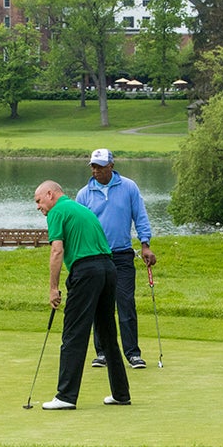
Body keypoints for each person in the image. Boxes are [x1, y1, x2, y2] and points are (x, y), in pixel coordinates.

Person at [33, 180, 131, 409]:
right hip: (108, 269)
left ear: (50, 194)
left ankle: (66, 396)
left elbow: (57, 250)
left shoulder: (57, 211)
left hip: (86, 271)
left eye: (39, 201)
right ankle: (121, 393)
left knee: (74, 333)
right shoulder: (81, 208)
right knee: (107, 333)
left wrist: (53, 288)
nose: (38, 207)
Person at [75, 148, 157, 371]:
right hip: (95, 257)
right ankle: (101, 352)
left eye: (100, 166)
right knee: (100, 306)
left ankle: (132, 353)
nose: (95, 170)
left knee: (125, 303)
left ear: (111, 166)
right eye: (93, 166)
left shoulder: (128, 187)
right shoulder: (84, 194)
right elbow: (79, 228)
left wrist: (145, 244)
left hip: (122, 255)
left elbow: (140, 216)